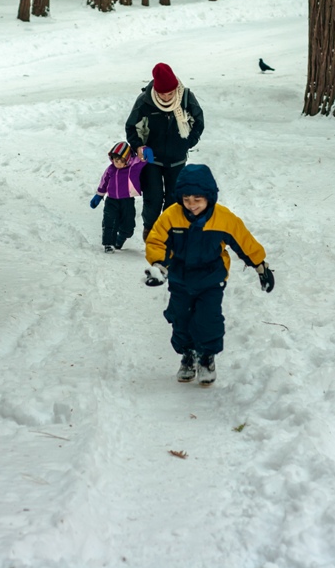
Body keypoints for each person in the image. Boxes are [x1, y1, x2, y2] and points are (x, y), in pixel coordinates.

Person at [143, 163, 275, 386]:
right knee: (181, 318)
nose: (191, 205)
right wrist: (159, 266)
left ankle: (206, 358)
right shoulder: (171, 216)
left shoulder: (224, 219)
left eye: (197, 199)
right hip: (180, 279)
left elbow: (244, 242)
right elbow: (157, 240)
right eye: (186, 199)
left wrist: (261, 267)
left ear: (209, 197)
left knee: (208, 319)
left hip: (211, 279)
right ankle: (188, 356)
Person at [125, 63, 204, 241]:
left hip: (177, 159)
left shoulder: (185, 97)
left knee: (174, 198)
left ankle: (169, 232)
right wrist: (138, 145)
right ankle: (150, 230)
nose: (167, 97)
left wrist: (187, 143)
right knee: (153, 198)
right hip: (152, 160)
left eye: (170, 93)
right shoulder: (145, 101)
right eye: (162, 93)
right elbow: (131, 126)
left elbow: (199, 121)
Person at [90, 141, 149, 253]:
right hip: (111, 200)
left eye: (121, 161)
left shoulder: (134, 166)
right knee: (109, 222)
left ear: (127, 159)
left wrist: (144, 149)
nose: (117, 164)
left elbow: (146, 158)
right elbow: (104, 182)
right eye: (115, 160)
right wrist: (98, 196)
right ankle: (108, 244)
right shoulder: (111, 169)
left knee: (128, 225)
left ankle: (120, 239)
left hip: (127, 201)